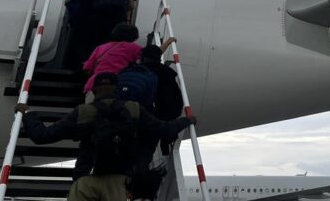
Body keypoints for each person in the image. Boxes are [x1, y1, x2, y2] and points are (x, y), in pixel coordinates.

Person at [16, 72, 195, 201]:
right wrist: (186, 121)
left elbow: (42, 136)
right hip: (124, 182)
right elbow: (165, 130)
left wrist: (28, 113)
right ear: (117, 90)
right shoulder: (133, 109)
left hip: (88, 180)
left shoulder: (83, 113)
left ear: (93, 91)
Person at [84, 25, 175, 104]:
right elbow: (153, 54)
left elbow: (87, 68)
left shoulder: (101, 47)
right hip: (117, 85)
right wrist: (168, 42)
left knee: (91, 116)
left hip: (94, 85)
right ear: (134, 36)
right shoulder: (133, 48)